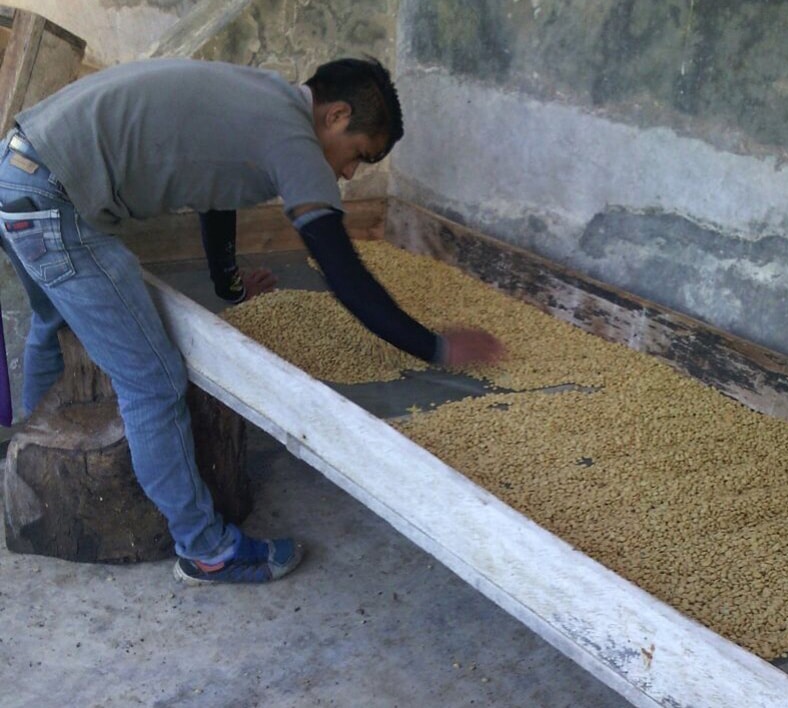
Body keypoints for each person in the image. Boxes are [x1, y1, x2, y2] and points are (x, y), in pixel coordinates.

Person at [0, 57, 504, 585]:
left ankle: (33, 475)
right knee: (153, 381)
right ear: (335, 116)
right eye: (360, 155)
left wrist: (230, 285)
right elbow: (344, 274)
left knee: (53, 321)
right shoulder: (294, 141)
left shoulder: (258, 99)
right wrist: (436, 347)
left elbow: (213, 193)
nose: (352, 174)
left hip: (19, 168)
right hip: (55, 202)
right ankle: (206, 550)